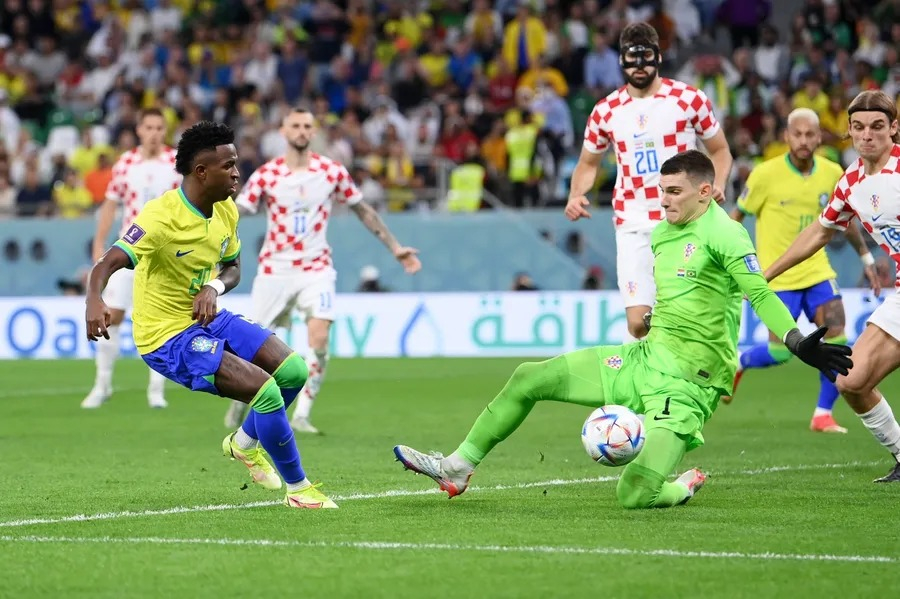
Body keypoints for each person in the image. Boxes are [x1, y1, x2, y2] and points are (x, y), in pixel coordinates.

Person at [394, 150, 852, 508]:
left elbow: (759, 293)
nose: (664, 199)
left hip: (689, 385)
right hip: (642, 359)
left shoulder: (727, 235)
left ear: (706, 191)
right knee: (529, 376)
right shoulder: (662, 233)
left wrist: (796, 342)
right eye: (661, 191)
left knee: (635, 496)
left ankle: (682, 486)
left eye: (674, 191)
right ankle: (456, 467)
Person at [85, 121, 337, 509]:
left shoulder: (226, 210)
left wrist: (213, 287)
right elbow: (109, 261)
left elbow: (234, 267)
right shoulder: (161, 216)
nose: (238, 172)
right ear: (201, 172)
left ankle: (243, 444)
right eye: (229, 165)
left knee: (293, 372)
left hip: (207, 316)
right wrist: (94, 299)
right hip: (167, 337)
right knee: (265, 392)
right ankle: (299, 490)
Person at [223, 106, 421, 433]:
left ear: (313, 132)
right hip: (275, 270)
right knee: (252, 348)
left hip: (316, 268)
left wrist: (396, 247)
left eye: (306, 126)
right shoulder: (267, 174)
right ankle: (239, 401)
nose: (301, 131)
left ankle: (301, 414)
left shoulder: (331, 172)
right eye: (295, 125)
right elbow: (236, 212)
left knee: (319, 338)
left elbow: (363, 210)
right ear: (283, 132)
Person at [763, 90, 900, 483]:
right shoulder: (851, 182)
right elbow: (820, 232)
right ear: (849, 132)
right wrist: (767, 274)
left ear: (893, 128)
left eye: (877, 126)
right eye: (858, 127)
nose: (867, 135)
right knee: (851, 380)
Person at [565, 22, 733, 341]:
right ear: (621, 60)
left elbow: (720, 150)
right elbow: (588, 163)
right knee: (638, 324)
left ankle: (678, 382)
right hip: (633, 221)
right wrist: (575, 194)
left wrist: (718, 182)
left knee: (689, 314)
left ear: (658, 57)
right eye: (632, 58)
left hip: (685, 220)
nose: (639, 66)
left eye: (646, 58)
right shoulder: (606, 111)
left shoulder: (688, 99)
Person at [727, 108, 880, 433]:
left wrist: (866, 258)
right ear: (786, 137)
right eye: (797, 134)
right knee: (779, 353)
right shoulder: (764, 174)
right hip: (777, 276)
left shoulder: (831, 171)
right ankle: (740, 361)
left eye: (811, 134)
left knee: (839, 343)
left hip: (818, 273)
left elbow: (846, 221)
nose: (804, 141)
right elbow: (736, 218)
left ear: (818, 137)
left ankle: (822, 414)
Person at [82, 108, 183, 409]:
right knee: (112, 314)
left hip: (164, 253)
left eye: (158, 127)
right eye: (148, 126)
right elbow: (111, 205)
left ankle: (156, 391)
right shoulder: (126, 163)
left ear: (164, 130)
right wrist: (100, 242)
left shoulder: (176, 162)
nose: (153, 132)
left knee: (159, 320)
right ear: (139, 130)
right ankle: (102, 385)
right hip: (129, 249)